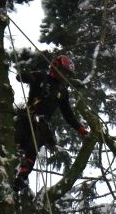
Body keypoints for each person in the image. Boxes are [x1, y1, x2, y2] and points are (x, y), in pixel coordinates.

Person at [13, 53, 90, 187]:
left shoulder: (63, 91)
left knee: (34, 144)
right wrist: (25, 75)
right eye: (64, 72)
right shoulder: (42, 77)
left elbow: (68, 114)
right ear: (55, 67)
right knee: (19, 139)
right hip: (28, 116)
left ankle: (22, 176)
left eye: (67, 74)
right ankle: (14, 160)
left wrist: (79, 128)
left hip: (43, 122)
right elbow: (22, 77)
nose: (65, 76)